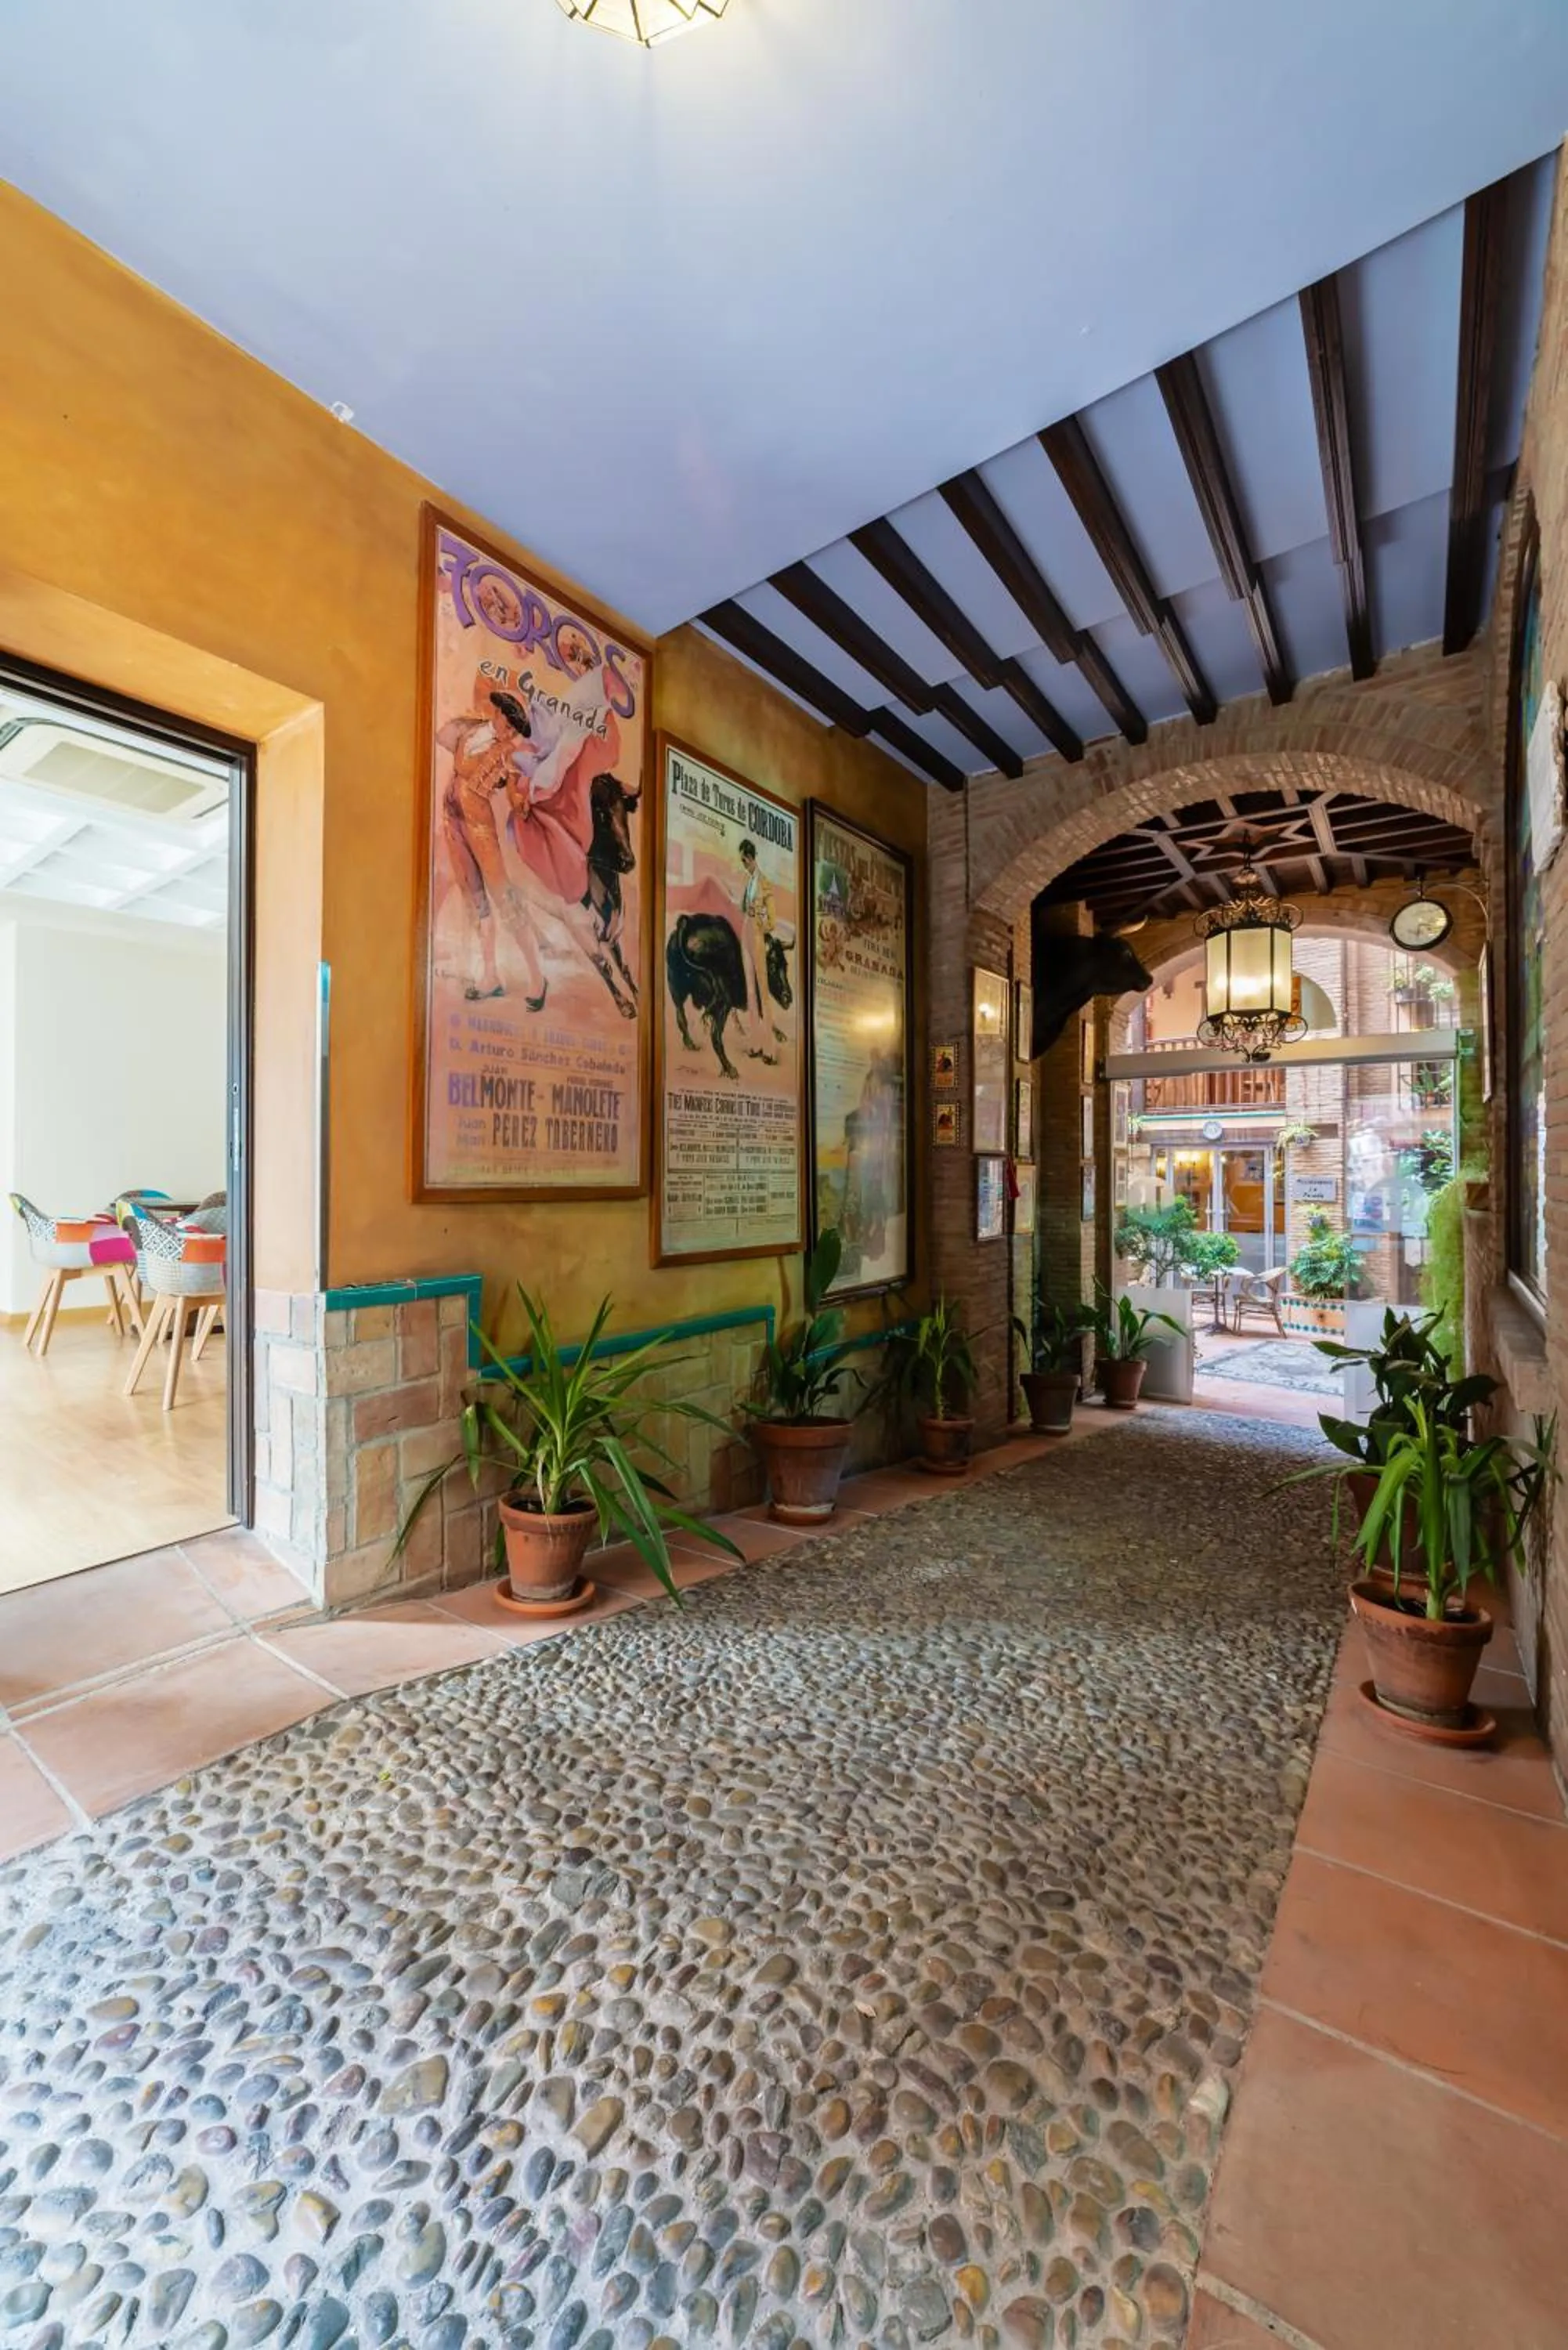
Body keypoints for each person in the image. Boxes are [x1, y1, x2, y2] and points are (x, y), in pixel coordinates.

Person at [437, 688, 547, 1006]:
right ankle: (490, 976)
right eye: (508, 725)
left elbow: (513, 793)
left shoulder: (507, 754)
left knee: (503, 895)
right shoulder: (470, 729)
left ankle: (538, 978)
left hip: (479, 825)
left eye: (514, 730)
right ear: (498, 714)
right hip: (453, 818)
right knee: (474, 896)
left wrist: (521, 804)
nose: (510, 733)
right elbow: (445, 738)